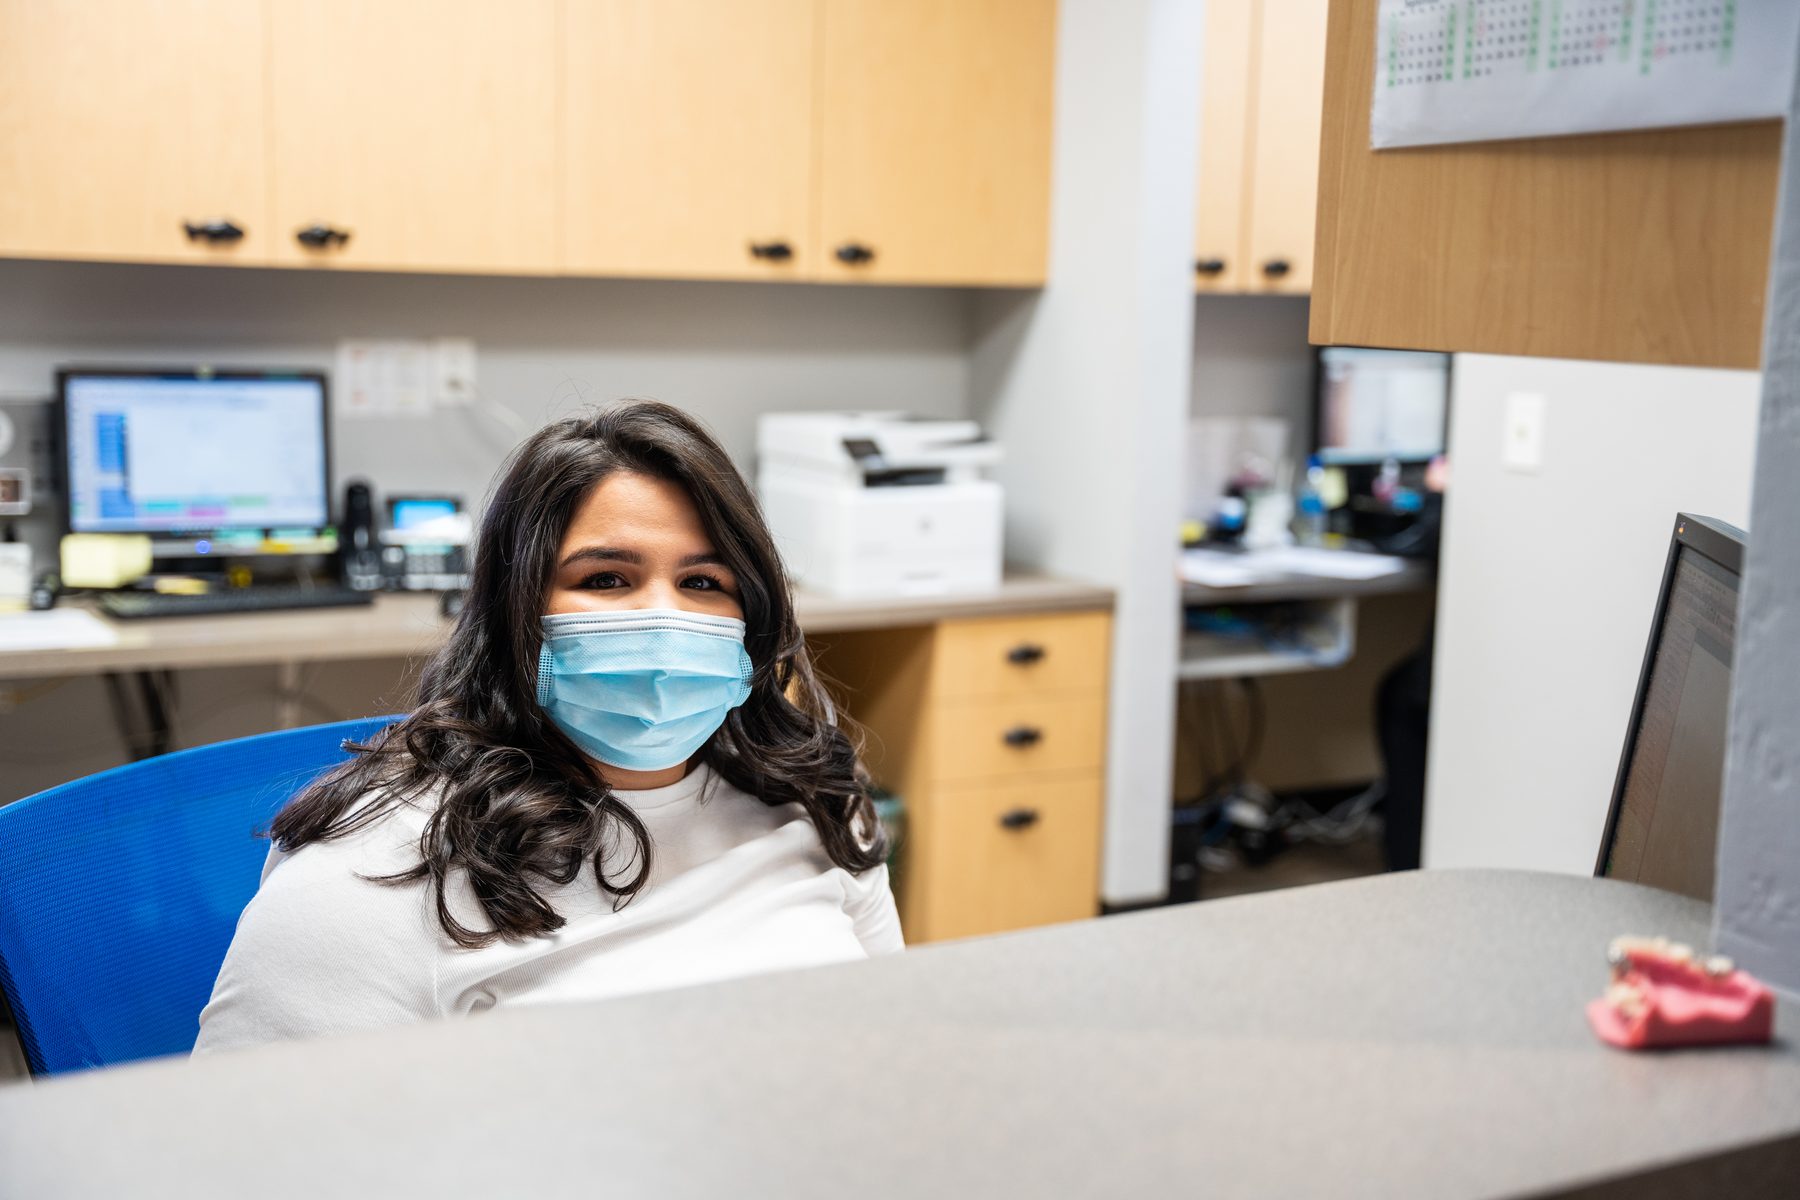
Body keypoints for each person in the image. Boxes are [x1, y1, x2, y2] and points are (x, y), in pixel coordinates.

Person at [196, 402, 901, 1052]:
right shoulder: (374, 875)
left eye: (704, 583)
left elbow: (887, 1050)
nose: (663, 617)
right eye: (604, 579)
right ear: (517, 614)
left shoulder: (818, 805)